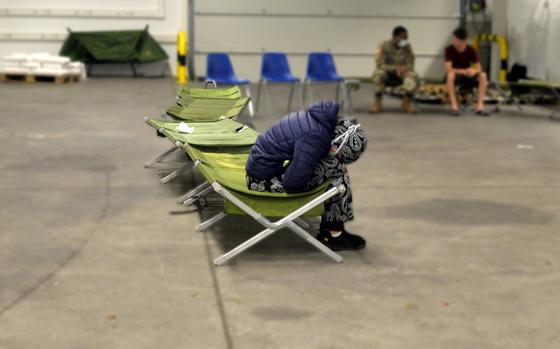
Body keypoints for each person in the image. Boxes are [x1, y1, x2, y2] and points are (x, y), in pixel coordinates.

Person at [245, 101, 368, 251]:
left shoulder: (319, 119)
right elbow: (293, 183)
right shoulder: (316, 137)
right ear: (338, 143)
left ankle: (334, 231)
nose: (335, 152)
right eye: (340, 153)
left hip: (264, 169)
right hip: (261, 181)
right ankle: (333, 234)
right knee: (336, 169)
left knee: (336, 169)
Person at [370, 26, 419, 114]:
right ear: (395, 37)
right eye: (404, 38)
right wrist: (394, 68)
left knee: (413, 76)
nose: (405, 40)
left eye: (406, 38)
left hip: (402, 74)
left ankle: (406, 104)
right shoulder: (383, 46)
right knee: (378, 74)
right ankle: (377, 104)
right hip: (388, 74)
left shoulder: (407, 47)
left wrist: (405, 68)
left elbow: (411, 63)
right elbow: (380, 64)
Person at [444, 27, 489, 116]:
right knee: (450, 75)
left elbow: (478, 68)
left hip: (467, 75)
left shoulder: (471, 49)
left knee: (483, 75)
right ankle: (454, 106)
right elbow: (448, 69)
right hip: (455, 74)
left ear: (463, 41)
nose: (453, 41)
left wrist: (474, 71)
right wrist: (464, 71)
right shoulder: (449, 49)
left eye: (456, 39)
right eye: (454, 38)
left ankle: (480, 106)